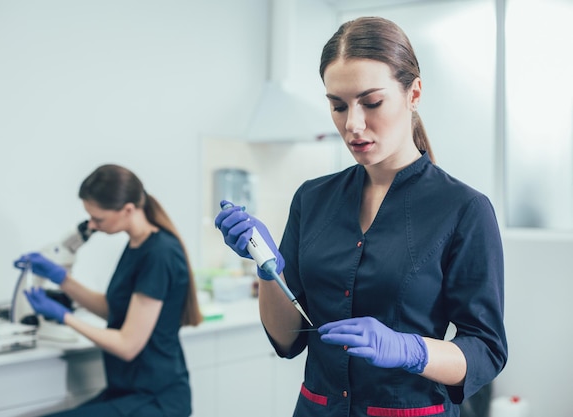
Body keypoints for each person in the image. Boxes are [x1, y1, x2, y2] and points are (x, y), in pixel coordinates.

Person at [215, 16, 507, 417]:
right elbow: (287, 340)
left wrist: (411, 349)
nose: (352, 124)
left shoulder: (464, 209)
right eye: (338, 105)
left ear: (413, 93)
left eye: (372, 102)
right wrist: (267, 270)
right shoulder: (312, 199)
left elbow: (486, 351)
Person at [14, 164, 202, 417]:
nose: (91, 224)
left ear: (128, 209)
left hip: (156, 399)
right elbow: (114, 310)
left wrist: (64, 317)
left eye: (98, 218)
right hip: (126, 390)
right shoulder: (137, 245)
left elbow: (127, 345)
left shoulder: (160, 254)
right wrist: (61, 279)